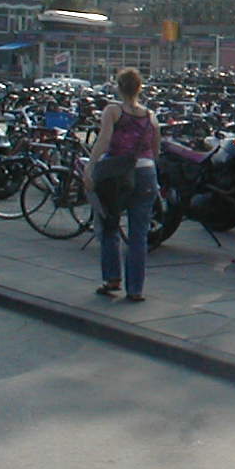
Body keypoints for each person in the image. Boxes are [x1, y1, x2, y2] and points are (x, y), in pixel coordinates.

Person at [84, 67, 159, 302]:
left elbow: (104, 141)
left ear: (118, 86)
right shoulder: (150, 116)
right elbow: (156, 149)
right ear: (140, 88)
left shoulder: (113, 111)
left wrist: (91, 166)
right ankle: (135, 289)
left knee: (110, 224)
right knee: (139, 234)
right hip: (146, 173)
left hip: (117, 175)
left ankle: (112, 279)